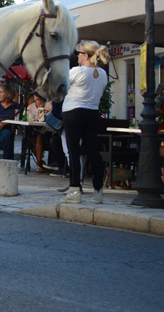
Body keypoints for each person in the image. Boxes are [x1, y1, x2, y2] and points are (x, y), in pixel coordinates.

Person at [62, 40, 110, 204]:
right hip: (92, 112)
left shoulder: (77, 71)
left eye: (79, 53)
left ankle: (75, 189)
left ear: (86, 56)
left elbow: (62, 87)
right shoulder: (102, 73)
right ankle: (98, 190)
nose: (77, 56)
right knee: (93, 150)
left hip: (73, 111)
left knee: (74, 151)